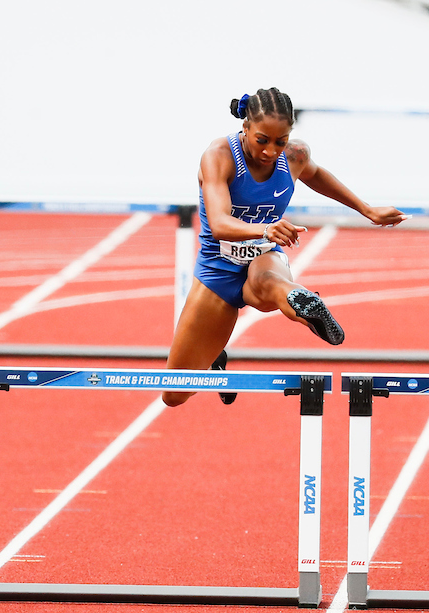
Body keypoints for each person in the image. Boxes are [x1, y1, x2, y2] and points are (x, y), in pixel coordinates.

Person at [163, 87, 405, 408]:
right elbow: (220, 223)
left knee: (272, 285)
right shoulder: (219, 156)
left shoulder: (295, 156)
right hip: (217, 270)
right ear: (245, 128)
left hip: (264, 256)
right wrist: (265, 227)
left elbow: (317, 175)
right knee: (174, 394)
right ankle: (212, 361)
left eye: (281, 141)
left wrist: (367, 209)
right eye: (262, 139)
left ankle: (304, 306)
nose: (271, 151)